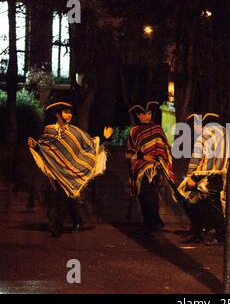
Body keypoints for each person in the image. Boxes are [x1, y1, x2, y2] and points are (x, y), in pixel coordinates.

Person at [28, 100, 113, 237]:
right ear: (57, 114)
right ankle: (77, 222)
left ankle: (57, 226)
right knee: (66, 197)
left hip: (72, 171)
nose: (69, 115)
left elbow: (89, 144)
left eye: (70, 112)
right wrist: (36, 146)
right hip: (57, 171)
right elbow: (45, 148)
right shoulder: (49, 130)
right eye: (66, 112)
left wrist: (103, 137)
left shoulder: (75, 131)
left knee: (65, 197)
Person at [178, 113, 228, 245]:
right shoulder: (225, 133)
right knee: (202, 203)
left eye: (195, 126)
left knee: (209, 204)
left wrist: (191, 176)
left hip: (204, 176)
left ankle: (221, 235)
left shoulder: (204, 135)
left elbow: (197, 156)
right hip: (220, 174)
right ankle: (197, 232)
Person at [126, 101, 174, 235]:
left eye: (149, 113)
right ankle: (147, 223)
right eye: (143, 114)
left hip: (154, 168)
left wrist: (159, 161)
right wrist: (142, 156)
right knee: (142, 196)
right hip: (139, 168)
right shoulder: (134, 131)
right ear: (138, 115)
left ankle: (156, 223)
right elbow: (129, 152)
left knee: (150, 195)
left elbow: (164, 147)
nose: (147, 116)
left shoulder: (157, 128)